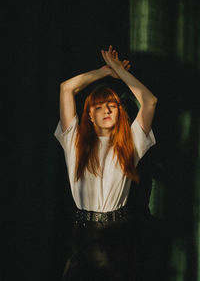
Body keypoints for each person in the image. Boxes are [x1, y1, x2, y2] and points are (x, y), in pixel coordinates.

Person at [54, 45, 158, 280]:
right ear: (89, 115)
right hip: (83, 233)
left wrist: (120, 72)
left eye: (112, 105)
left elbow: (149, 101)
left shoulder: (130, 142)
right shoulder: (75, 141)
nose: (106, 110)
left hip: (118, 233)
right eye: (98, 106)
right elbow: (66, 88)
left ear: (120, 111)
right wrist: (105, 71)